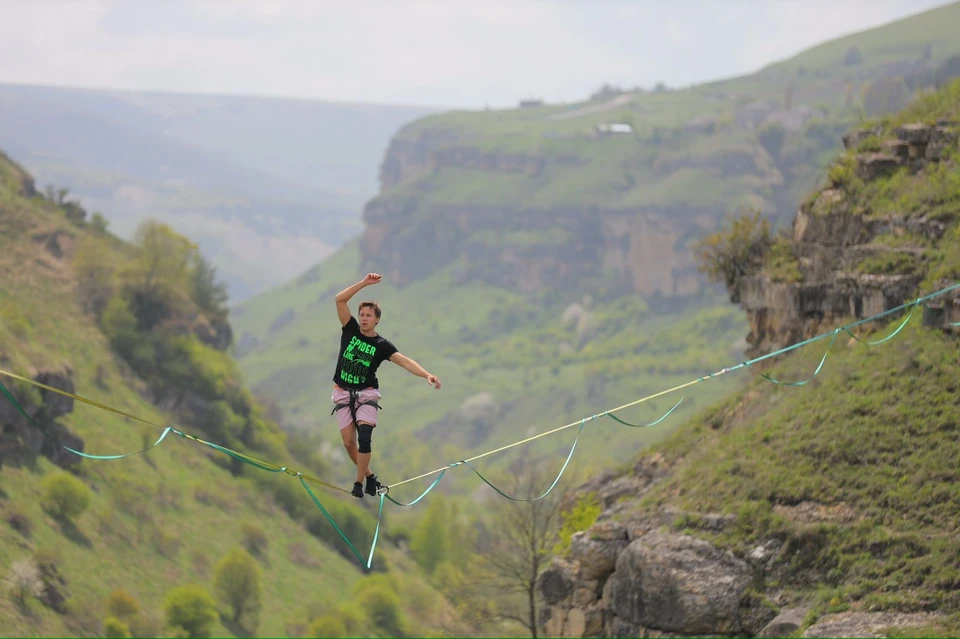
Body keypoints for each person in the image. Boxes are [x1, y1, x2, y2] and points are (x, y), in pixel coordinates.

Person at [332, 272, 441, 498]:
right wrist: (363, 284)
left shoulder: (382, 345)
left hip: (366, 394)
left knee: (364, 437)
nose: (363, 318)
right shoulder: (349, 329)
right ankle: (371, 477)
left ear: (377, 320)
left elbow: (405, 361)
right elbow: (340, 300)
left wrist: (426, 375)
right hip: (342, 393)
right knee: (348, 443)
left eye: (368, 315)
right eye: (361, 314)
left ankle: (358, 484)